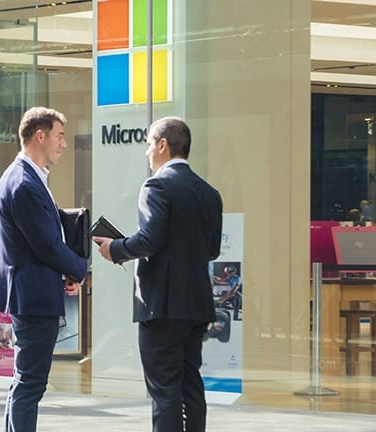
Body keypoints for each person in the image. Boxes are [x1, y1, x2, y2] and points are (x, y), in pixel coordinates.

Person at [93, 116, 222, 432]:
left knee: (164, 390)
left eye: (149, 143)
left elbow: (149, 240)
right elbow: (213, 250)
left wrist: (115, 248)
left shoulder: (157, 185)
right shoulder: (210, 193)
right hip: (196, 304)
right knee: (191, 384)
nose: (146, 152)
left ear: (163, 145)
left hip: (161, 306)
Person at [0, 107, 87, 431]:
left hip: (33, 290)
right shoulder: (24, 183)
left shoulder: (29, 178)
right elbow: (46, 245)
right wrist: (81, 268)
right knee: (30, 383)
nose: (63, 143)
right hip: (31, 297)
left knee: (26, 382)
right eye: (59, 136)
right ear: (40, 135)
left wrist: (66, 273)